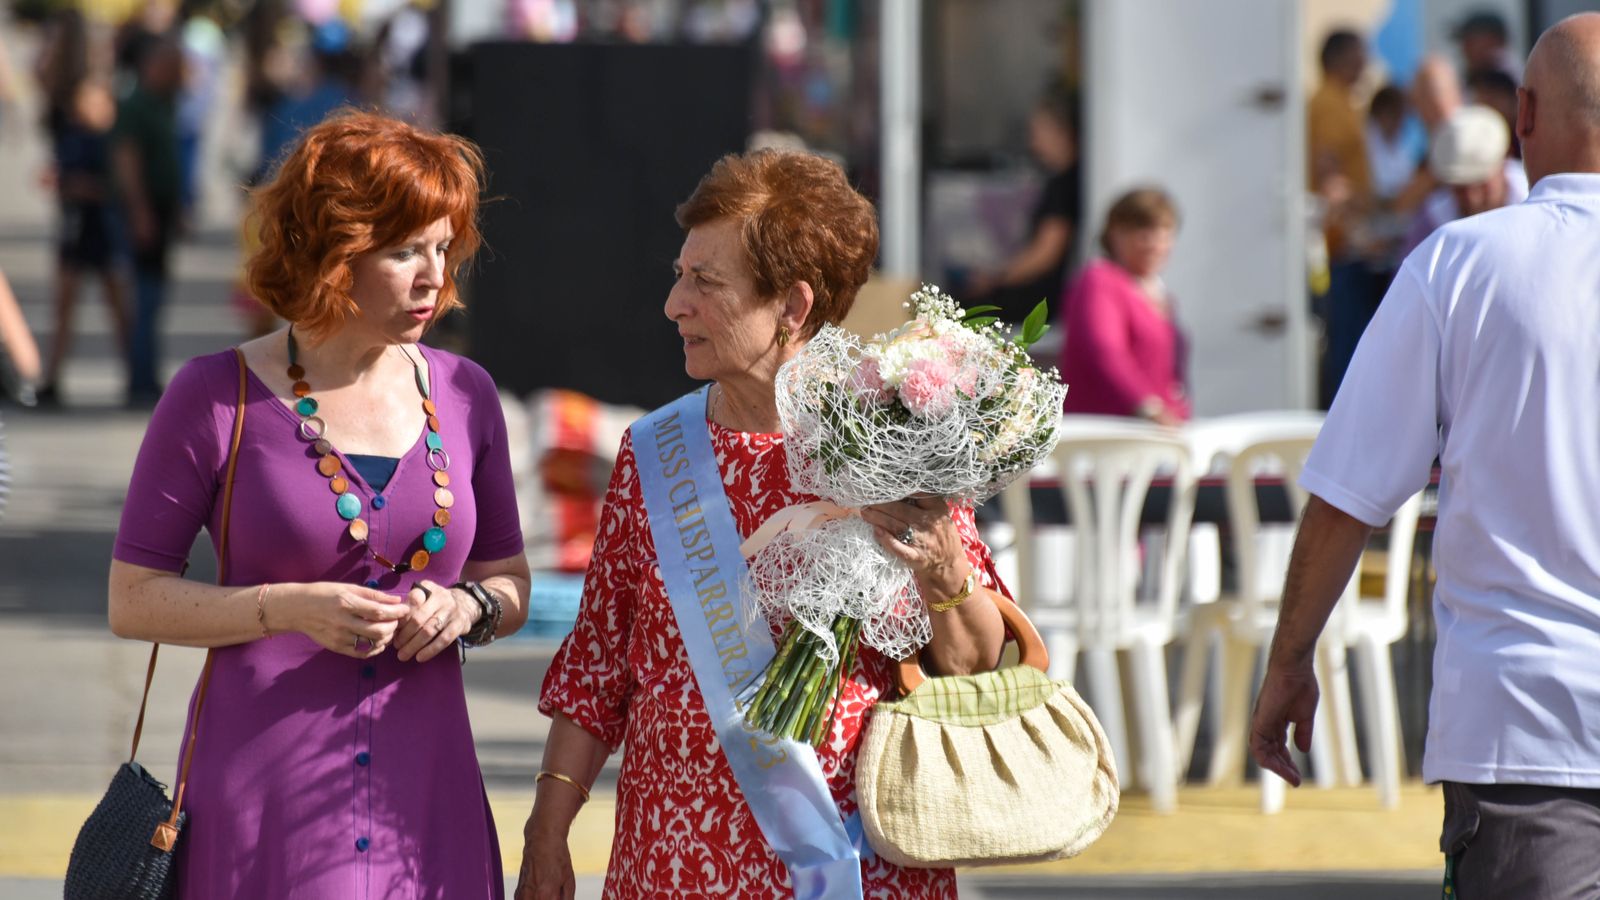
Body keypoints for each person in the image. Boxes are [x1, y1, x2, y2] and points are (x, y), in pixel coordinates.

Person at [517, 150, 1009, 899]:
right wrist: (545, 837)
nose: (673, 304)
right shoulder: (652, 455)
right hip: (670, 863)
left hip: (849, 862)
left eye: (704, 283)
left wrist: (941, 564)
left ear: (793, 307)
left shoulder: (893, 441)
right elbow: (596, 673)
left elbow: (976, 664)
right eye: (680, 275)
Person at [107, 112, 529, 898]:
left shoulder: (466, 394)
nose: (435, 276)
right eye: (405, 251)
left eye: (443, 248)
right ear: (336, 251)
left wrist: (470, 607)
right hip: (268, 795)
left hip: (427, 790)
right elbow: (133, 602)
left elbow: (511, 583)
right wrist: (289, 608)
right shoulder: (213, 394)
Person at [1251, 14, 1600, 897]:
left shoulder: (1460, 265)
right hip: (1523, 740)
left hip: (1523, 736)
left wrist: (1289, 661)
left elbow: (1347, 495)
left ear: (1521, 113)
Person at [1057, 187, 1189, 426]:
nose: (1155, 245)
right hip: (1111, 432)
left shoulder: (1157, 293)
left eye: (1164, 233)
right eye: (1144, 234)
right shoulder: (1099, 281)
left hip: (1159, 433)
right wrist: (1152, 410)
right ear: (1116, 234)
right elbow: (1105, 352)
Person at [966, 86, 1081, 325]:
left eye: (1038, 132)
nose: (1033, 142)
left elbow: (1045, 254)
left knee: (961, 312)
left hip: (1040, 302)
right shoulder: (1066, 180)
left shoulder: (1064, 185)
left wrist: (995, 278)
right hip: (1041, 296)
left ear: (1061, 132)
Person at [111, 31, 183, 406]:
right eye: (171, 65)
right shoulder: (136, 104)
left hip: (161, 211)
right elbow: (127, 160)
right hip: (146, 211)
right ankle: (139, 378)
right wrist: (139, 211)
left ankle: (145, 374)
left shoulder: (162, 102)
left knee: (153, 297)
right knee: (145, 297)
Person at [1401, 104, 1527, 256]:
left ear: (1505, 159)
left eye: (1481, 183)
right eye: (1461, 188)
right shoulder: (1431, 221)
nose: (1472, 198)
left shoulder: (1536, 200)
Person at [1453, 10, 1521, 83]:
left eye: (1471, 41)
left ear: (1495, 40)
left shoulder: (1507, 74)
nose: (1464, 49)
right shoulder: (1480, 72)